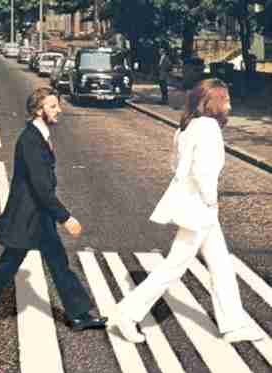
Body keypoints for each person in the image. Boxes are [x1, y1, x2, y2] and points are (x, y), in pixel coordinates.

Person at [110, 79, 264, 344]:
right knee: (174, 266)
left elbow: (176, 166)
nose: (229, 104)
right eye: (225, 99)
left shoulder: (187, 126)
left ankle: (233, 324)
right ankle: (127, 313)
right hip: (200, 209)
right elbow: (203, 172)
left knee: (221, 265)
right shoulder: (208, 128)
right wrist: (210, 200)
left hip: (194, 206)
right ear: (213, 102)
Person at [0, 87, 107, 337]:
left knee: (59, 263)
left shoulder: (41, 133)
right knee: (7, 267)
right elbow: (41, 188)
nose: (58, 110)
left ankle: (79, 314)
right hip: (28, 217)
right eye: (52, 106)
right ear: (38, 110)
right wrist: (65, 217)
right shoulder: (30, 140)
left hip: (39, 217)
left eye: (57, 105)